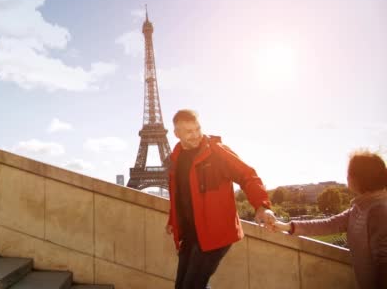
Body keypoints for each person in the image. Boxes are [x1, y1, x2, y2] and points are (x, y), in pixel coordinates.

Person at [165, 109, 276, 289]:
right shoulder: (176, 158)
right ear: (177, 134)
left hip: (215, 234)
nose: (195, 136)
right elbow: (179, 196)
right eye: (189, 132)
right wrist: (173, 220)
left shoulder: (216, 152)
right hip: (190, 235)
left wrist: (262, 206)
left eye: (197, 129)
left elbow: (247, 175)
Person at [273, 150, 387, 289]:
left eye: (349, 173)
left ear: (360, 177)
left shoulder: (378, 211)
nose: (346, 177)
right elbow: (327, 224)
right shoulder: (359, 208)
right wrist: (287, 227)